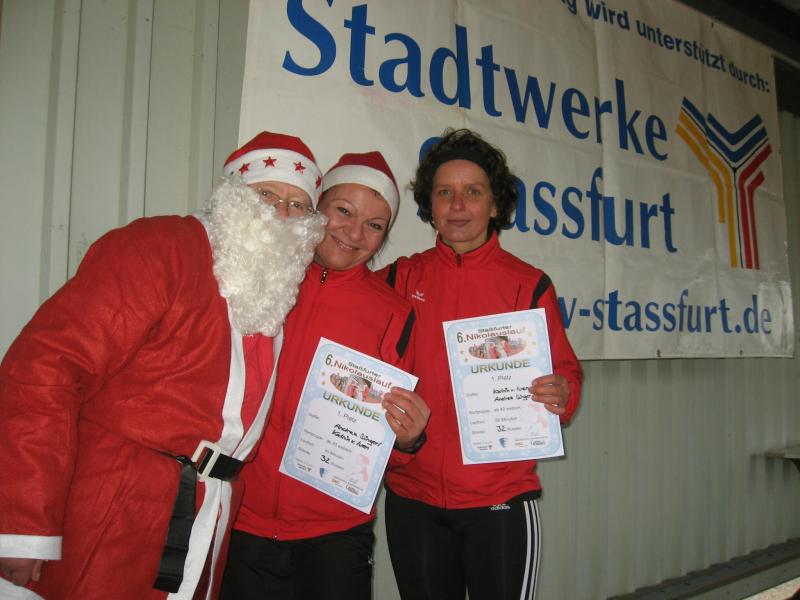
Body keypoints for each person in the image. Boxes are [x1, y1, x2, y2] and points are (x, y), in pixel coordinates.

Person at [0, 131, 327, 599]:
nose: (280, 214)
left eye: (298, 205)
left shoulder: (277, 291)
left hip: (209, 517)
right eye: (266, 194)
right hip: (117, 506)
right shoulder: (161, 246)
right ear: (232, 195)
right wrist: (22, 522)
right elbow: (47, 365)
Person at [380, 128, 583, 600]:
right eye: (444, 193)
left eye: (472, 192)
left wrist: (562, 392)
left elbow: (565, 372)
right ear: (430, 204)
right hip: (412, 498)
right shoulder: (398, 278)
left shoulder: (528, 284)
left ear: (495, 205)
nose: (457, 205)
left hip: (500, 499)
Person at [221, 151, 430, 600]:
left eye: (375, 225)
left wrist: (408, 439)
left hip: (336, 534)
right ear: (316, 208)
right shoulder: (259, 278)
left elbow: (389, 447)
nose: (354, 233)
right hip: (242, 520)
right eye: (344, 211)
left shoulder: (394, 314)